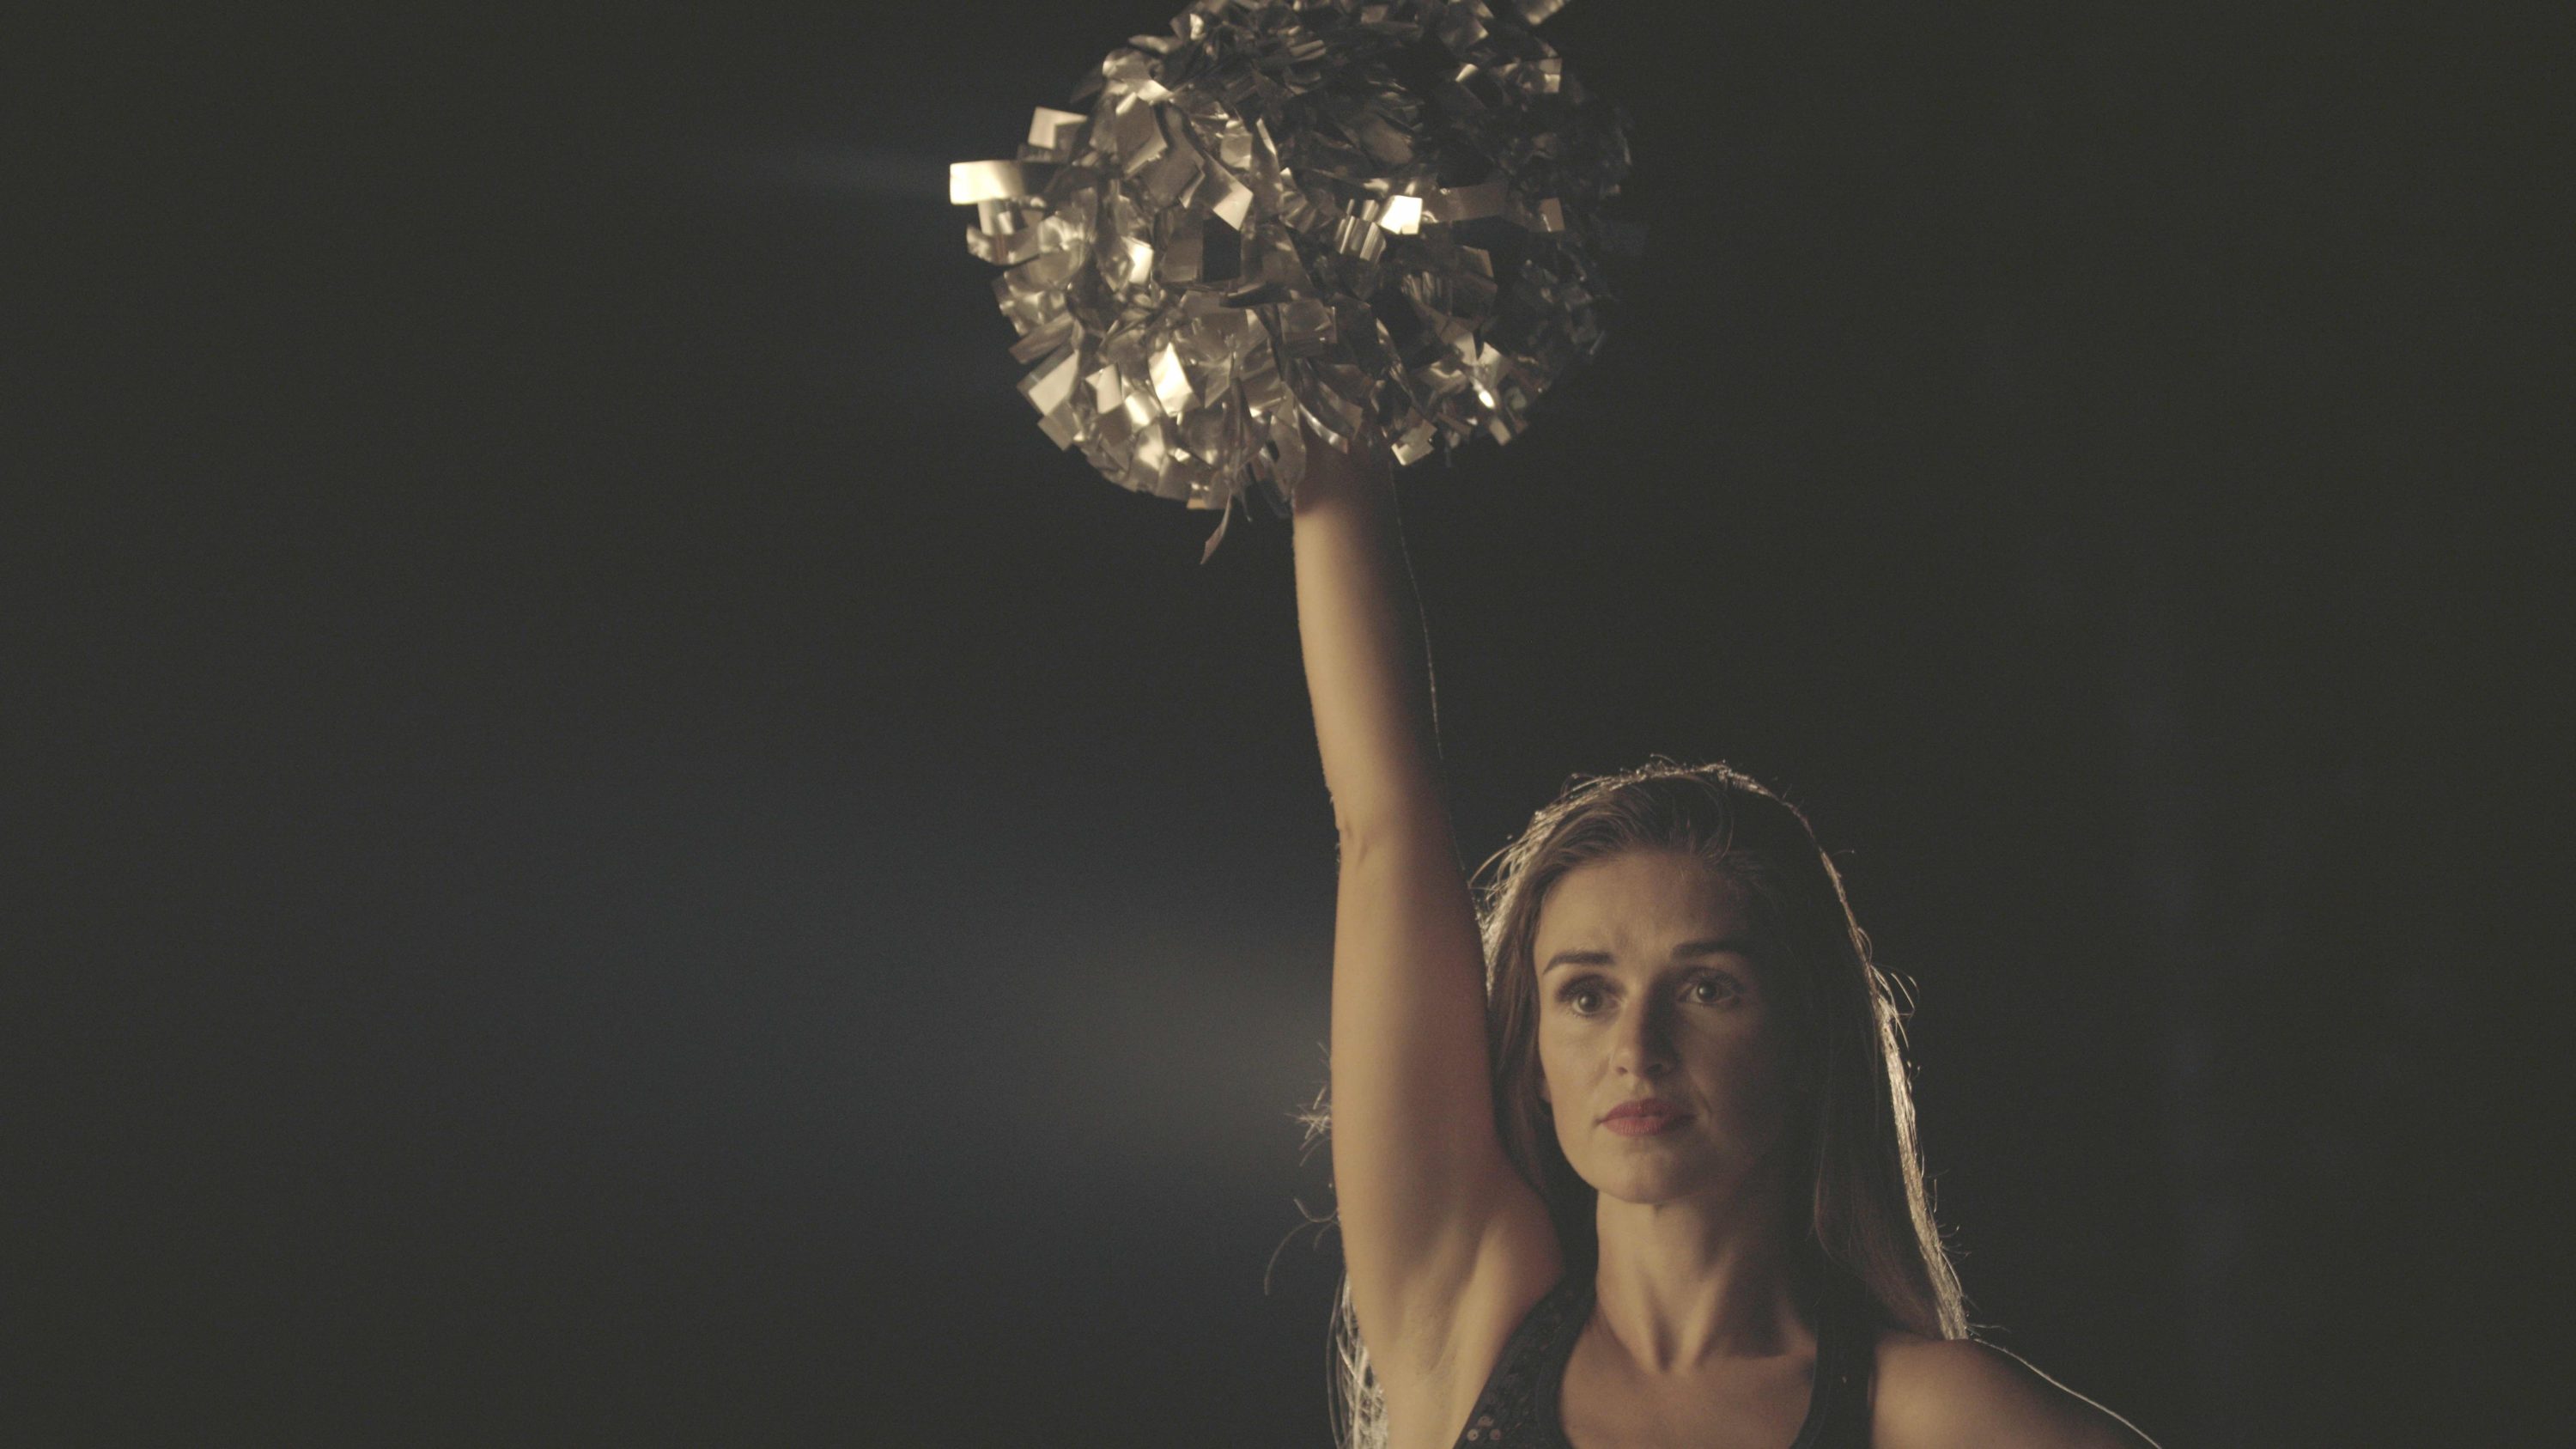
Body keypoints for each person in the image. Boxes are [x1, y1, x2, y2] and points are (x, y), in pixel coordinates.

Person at [1288, 419, 2159, 1449]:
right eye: (1586, 992)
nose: (1636, 1048)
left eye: (1708, 988)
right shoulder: (1469, 1324)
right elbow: (1383, 822)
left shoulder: (1923, 1413)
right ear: (1533, 1068)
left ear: (1805, 1044)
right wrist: (1317, 386)